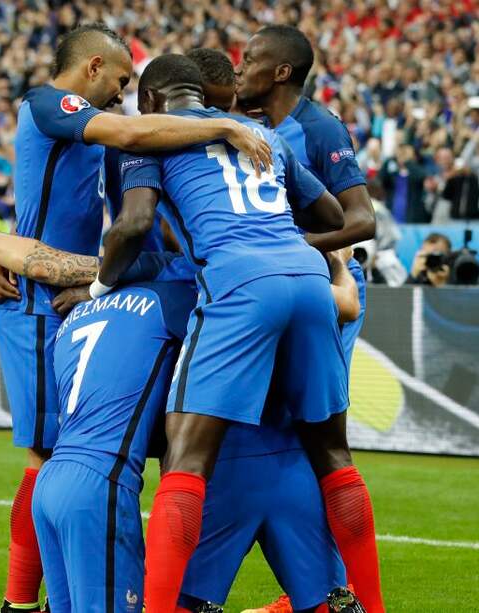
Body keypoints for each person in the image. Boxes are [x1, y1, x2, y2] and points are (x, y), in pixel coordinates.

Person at [0, 211, 361, 613]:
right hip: (106, 488)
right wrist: (340, 266)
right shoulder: (186, 296)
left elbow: (46, 263)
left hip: (50, 480)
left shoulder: (82, 313)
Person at [0, 23, 272, 612]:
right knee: (56, 452)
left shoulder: (101, 143)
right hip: (46, 293)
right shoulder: (52, 105)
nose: (122, 92)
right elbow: (124, 136)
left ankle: (161, 590)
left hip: (89, 283)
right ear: (92, 68)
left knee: (156, 445)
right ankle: (21, 601)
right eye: (120, 80)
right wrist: (220, 125)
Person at [92, 54, 346, 613]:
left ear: (152, 102)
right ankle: (369, 603)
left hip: (237, 285)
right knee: (333, 455)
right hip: (307, 279)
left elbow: (133, 225)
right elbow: (334, 216)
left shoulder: (151, 139)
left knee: (184, 459)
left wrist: (98, 283)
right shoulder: (262, 133)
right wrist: (279, 241)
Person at [235, 26, 384, 613]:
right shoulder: (241, 121)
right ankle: (314, 588)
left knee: (319, 438)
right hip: (278, 291)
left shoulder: (317, 128)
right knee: (284, 438)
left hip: (324, 290)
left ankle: (338, 593)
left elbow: (363, 219)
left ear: (280, 73)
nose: (239, 67)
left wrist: (297, 242)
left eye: (251, 60)